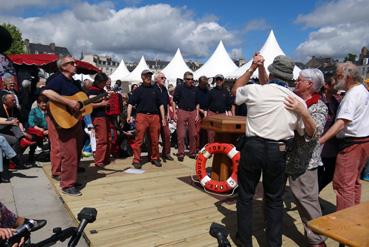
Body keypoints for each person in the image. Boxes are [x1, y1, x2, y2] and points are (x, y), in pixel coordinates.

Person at [232, 54, 316, 247]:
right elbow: (308, 134)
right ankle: (273, 244)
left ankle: (244, 242)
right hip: (278, 151)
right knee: (274, 200)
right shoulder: (297, 101)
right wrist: (303, 113)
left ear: (271, 72)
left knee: (245, 196)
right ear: (290, 77)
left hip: (252, 148)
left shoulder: (255, 90)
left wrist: (253, 67)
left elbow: (235, 90)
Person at [285, 68, 328, 247]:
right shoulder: (298, 99)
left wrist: (302, 111)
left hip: (305, 163)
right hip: (288, 158)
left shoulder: (319, 106)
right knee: (302, 200)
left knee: (308, 202)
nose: (296, 82)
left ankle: (317, 241)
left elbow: (314, 132)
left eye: (299, 80)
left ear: (310, 84)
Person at [319, 62, 369, 211]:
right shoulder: (363, 91)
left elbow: (342, 122)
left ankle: (344, 221)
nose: (336, 79)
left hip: (352, 144)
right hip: (362, 141)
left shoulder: (352, 95)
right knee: (353, 182)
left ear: (346, 77)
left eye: (338, 75)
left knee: (343, 184)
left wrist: (321, 140)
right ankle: (353, 215)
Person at [42, 55, 84, 196]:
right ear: (63, 66)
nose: (75, 65)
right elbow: (46, 92)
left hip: (74, 119)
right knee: (69, 152)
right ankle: (67, 185)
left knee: (76, 151)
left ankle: (71, 178)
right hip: (63, 120)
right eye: (72, 63)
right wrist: (69, 103)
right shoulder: (58, 79)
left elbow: (82, 101)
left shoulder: (75, 83)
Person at [127, 69, 166, 169]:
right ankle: (136, 160)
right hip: (142, 116)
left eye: (149, 75)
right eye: (146, 75)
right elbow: (130, 103)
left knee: (155, 140)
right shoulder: (138, 90)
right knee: (139, 139)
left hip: (154, 116)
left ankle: (155, 158)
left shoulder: (156, 89)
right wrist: (128, 115)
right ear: (142, 77)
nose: (148, 77)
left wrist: (163, 118)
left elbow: (161, 104)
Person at [173, 71, 199, 161]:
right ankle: (181, 153)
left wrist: (197, 114)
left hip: (192, 111)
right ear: (184, 79)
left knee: (193, 134)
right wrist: (174, 113)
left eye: (192, 79)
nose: (190, 81)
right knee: (181, 134)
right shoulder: (179, 88)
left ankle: (192, 152)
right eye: (188, 79)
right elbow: (174, 101)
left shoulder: (195, 89)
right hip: (182, 110)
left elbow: (197, 103)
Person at [88, 72, 111, 168]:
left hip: (103, 116)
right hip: (98, 117)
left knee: (107, 138)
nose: (105, 84)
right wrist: (102, 104)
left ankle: (104, 159)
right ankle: (99, 161)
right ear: (99, 81)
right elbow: (89, 104)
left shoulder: (100, 90)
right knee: (102, 139)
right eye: (104, 82)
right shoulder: (93, 90)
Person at [204, 74, 233, 142]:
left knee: (222, 133)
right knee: (211, 133)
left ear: (223, 81)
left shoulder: (226, 92)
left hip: (222, 114)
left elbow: (229, 104)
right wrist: (205, 115)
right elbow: (206, 104)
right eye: (217, 80)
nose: (218, 81)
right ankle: (211, 149)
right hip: (212, 113)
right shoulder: (211, 91)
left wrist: (229, 113)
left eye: (220, 80)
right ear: (215, 81)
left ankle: (219, 150)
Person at [154, 72, 174, 162]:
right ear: (156, 79)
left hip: (164, 115)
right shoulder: (153, 88)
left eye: (164, 78)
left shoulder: (165, 89)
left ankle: (166, 153)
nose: (164, 79)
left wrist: (168, 115)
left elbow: (166, 103)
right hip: (155, 115)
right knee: (155, 136)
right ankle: (154, 155)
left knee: (166, 134)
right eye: (162, 78)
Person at [27, 94, 48, 163]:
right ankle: (31, 155)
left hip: (47, 130)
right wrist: (39, 129)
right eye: (43, 103)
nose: (45, 104)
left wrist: (48, 130)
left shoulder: (49, 111)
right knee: (34, 138)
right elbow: (31, 122)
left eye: (46, 103)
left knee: (53, 138)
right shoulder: (34, 111)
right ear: (38, 104)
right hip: (36, 129)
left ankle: (51, 154)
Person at [195, 76, 209, 150]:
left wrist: (206, 111)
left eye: (205, 84)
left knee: (205, 131)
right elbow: (194, 102)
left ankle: (203, 147)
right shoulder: (195, 90)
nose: (205, 85)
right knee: (197, 131)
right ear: (200, 83)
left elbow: (209, 102)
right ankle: (197, 147)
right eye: (203, 84)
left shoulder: (207, 90)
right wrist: (200, 110)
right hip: (197, 112)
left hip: (206, 112)